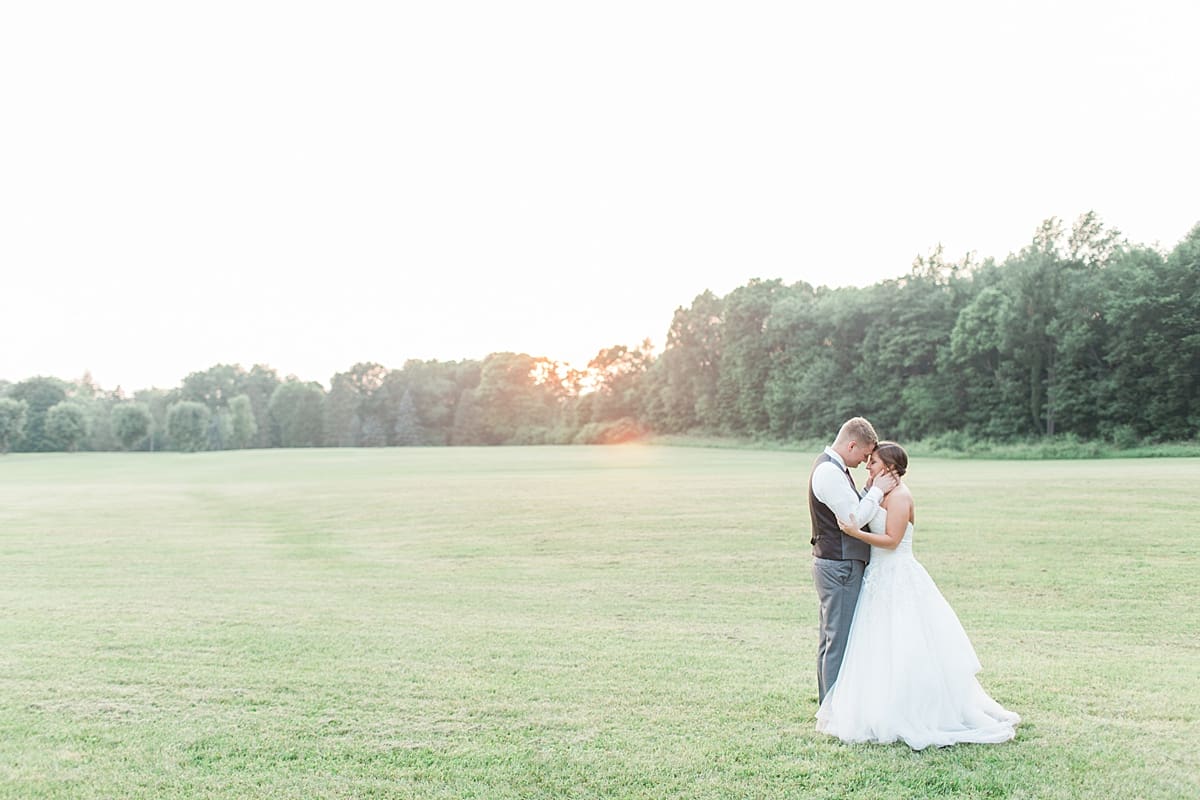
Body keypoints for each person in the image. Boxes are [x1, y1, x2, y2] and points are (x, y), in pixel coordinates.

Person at [816, 442, 1020, 749]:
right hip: (878, 577)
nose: (868, 467)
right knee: (878, 644)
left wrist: (856, 533)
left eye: (873, 463)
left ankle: (912, 708)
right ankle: (875, 704)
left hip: (897, 575)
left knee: (906, 641)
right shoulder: (880, 493)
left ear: (889, 468)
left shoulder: (900, 497)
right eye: (868, 461)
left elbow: (892, 540)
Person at [809, 417, 898, 704]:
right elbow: (853, 520)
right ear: (851, 444)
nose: (864, 461)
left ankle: (829, 706)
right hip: (840, 564)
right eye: (863, 454)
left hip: (836, 562)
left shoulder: (834, 469)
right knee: (839, 641)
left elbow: (851, 506)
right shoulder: (829, 472)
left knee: (831, 638)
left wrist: (866, 490)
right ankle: (833, 710)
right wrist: (877, 491)